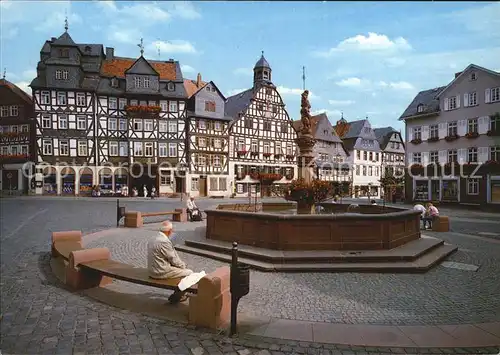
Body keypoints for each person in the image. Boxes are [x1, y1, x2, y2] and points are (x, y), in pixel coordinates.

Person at [148, 221, 193, 304]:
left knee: (180, 270)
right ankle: (178, 296)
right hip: (160, 272)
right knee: (189, 273)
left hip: (151, 270)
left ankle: (177, 293)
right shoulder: (164, 242)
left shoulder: (153, 238)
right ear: (170, 231)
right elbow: (173, 259)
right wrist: (183, 266)